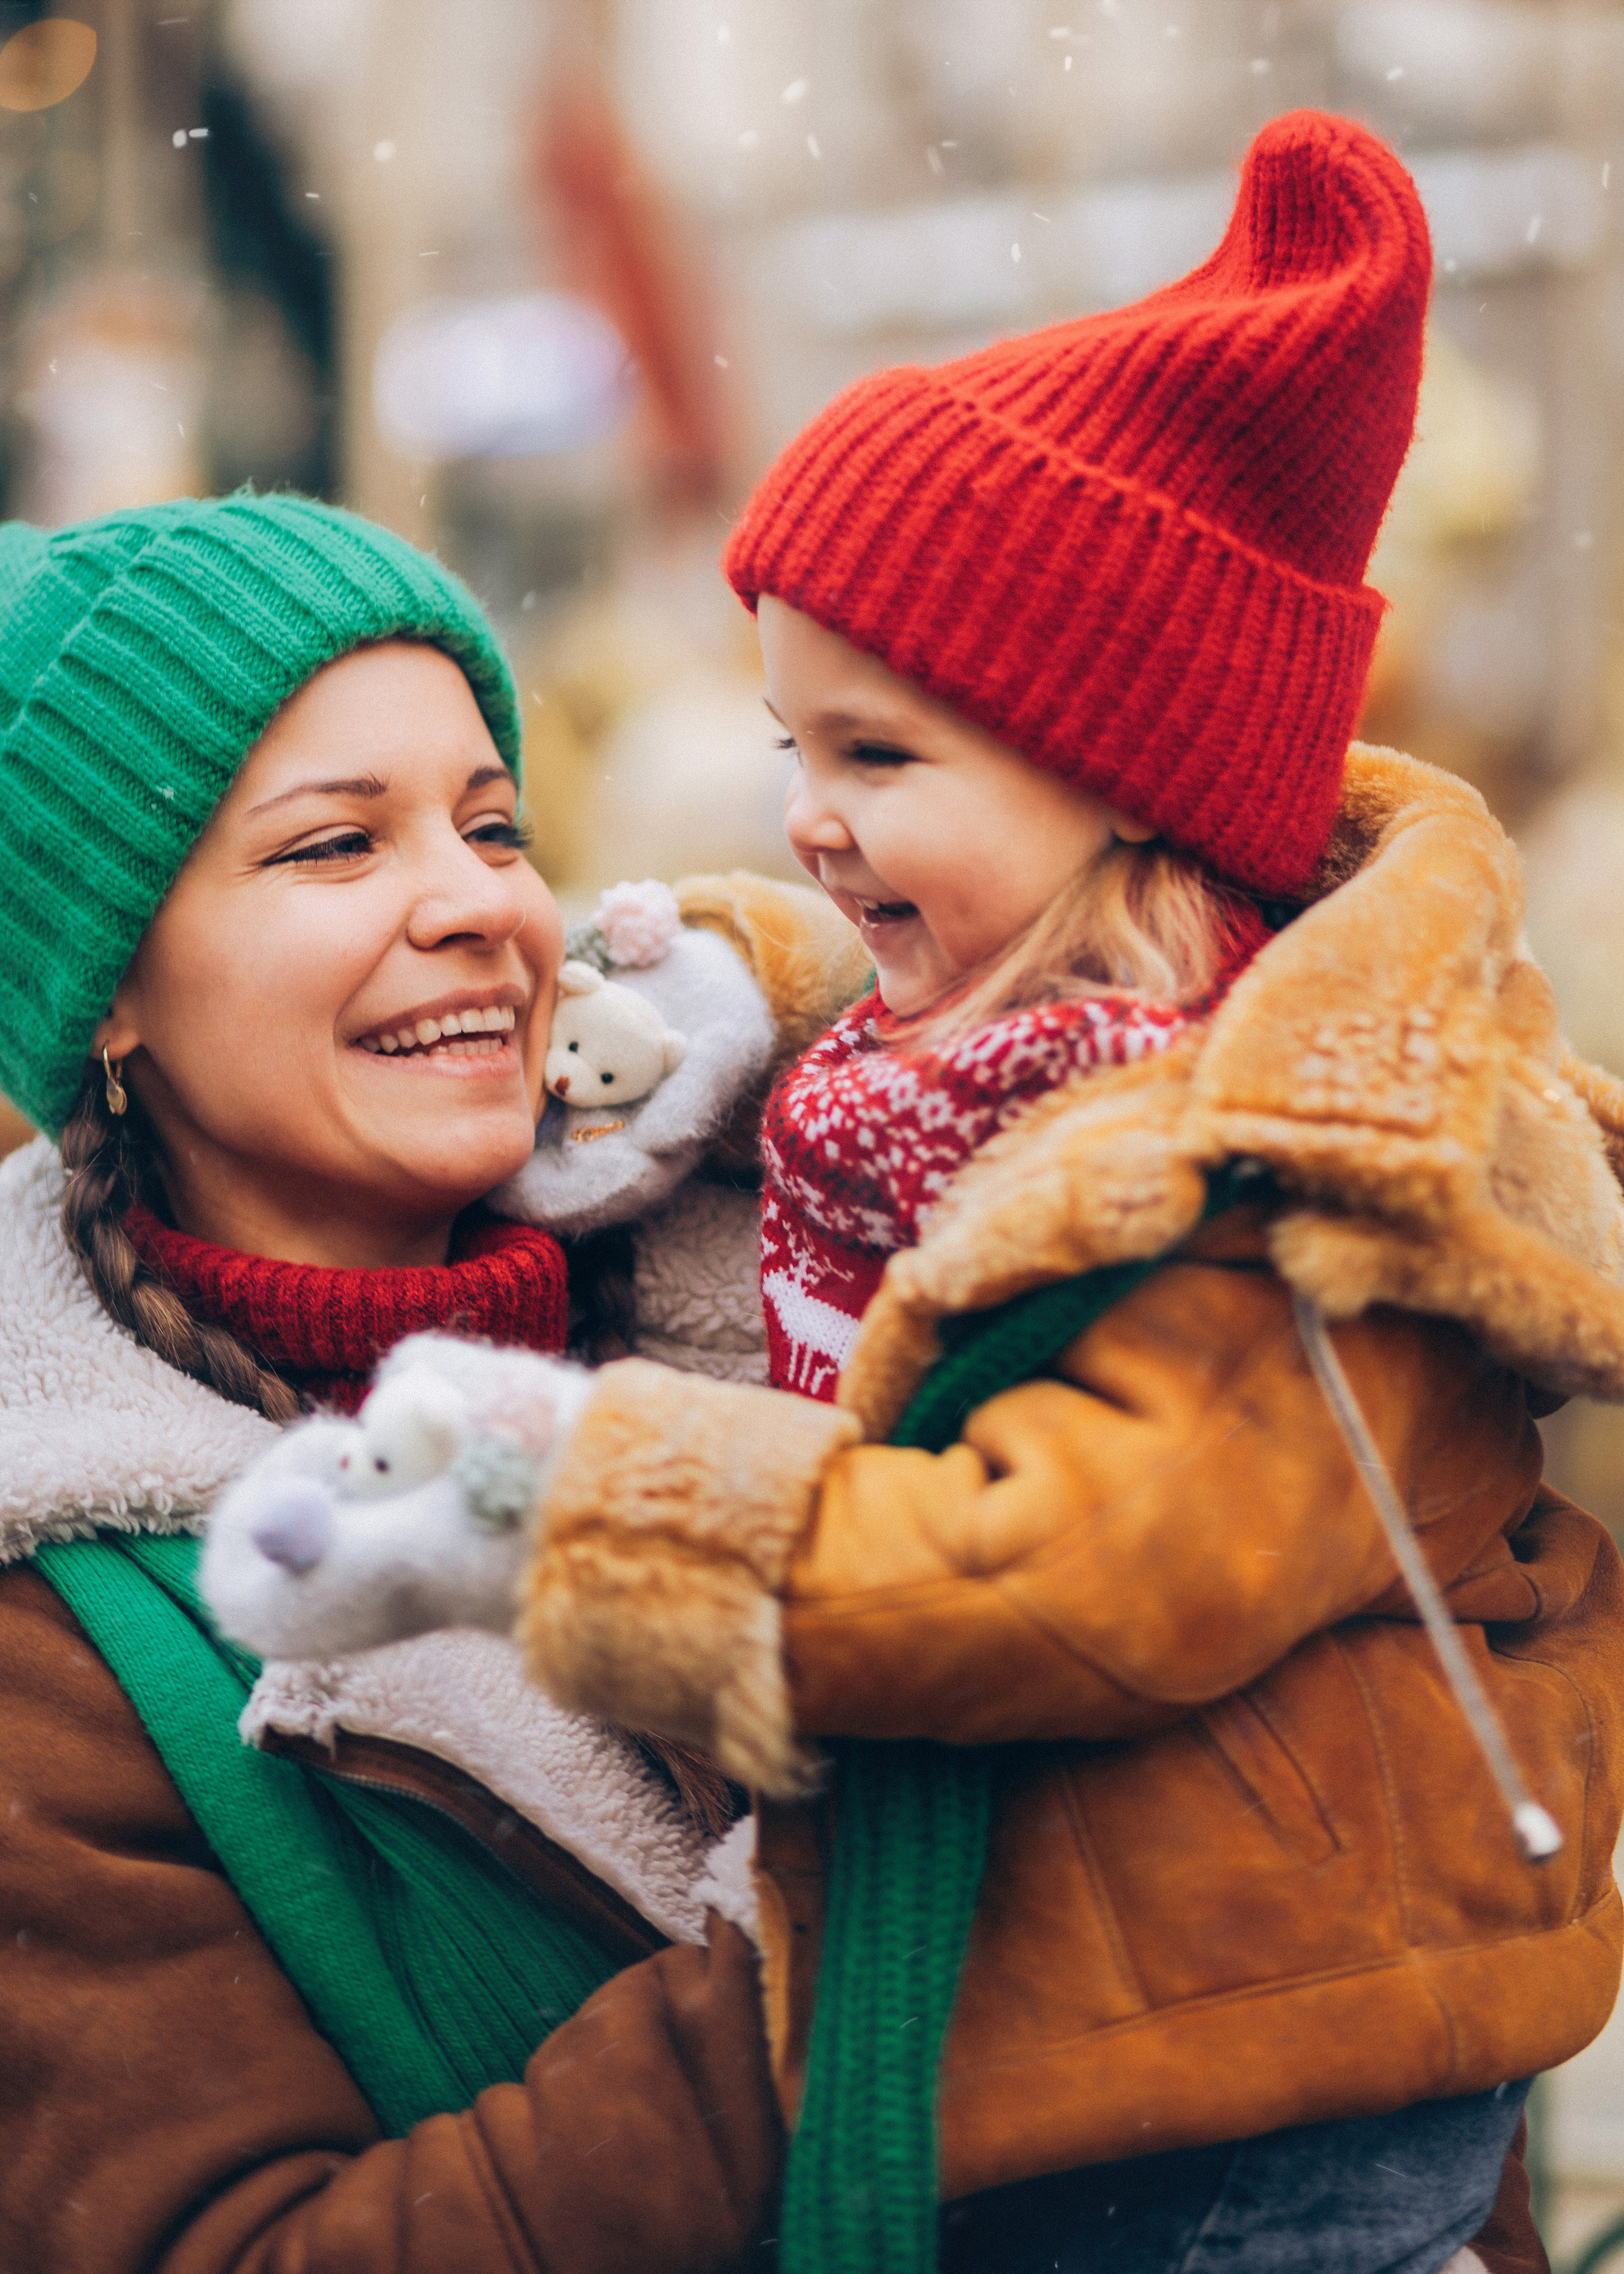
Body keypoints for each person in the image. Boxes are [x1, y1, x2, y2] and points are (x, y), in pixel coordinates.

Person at [206, 114, 1624, 2274]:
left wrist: (561, 1509)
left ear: (1120, 775)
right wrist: (720, 1005)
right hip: (1144, 2032)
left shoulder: (1261, 1190)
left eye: (876, 758)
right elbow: (897, 1023)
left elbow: (1050, 1582)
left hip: (1231, 2137)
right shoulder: (991, 1069)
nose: (808, 826)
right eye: (791, 750)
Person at [0, 490, 880, 2271]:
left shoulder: (832, 1267)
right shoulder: (56, 1653)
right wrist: (863, 1923)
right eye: (337, 848)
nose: (478, 904)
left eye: (495, 826)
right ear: (109, 996)